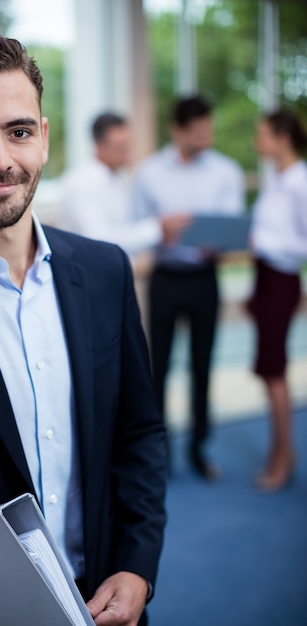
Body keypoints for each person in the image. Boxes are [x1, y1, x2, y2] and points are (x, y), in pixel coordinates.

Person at [0, 32, 167, 625]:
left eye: (17, 131)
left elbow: (138, 435)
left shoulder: (103, 270)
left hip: (105, 605)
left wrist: (138, 565)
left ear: (42, 139)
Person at [132, 95, 245, 479]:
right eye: (198, 132)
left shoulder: (225, 171)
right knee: (157, 369)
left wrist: (221, 243)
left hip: (204, 280)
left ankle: (199, 449)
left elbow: (233, 228)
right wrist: (160, 231)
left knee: (202, 366)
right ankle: (157, 454)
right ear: (177, 130)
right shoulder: (149, 173)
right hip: (165, 279)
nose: (206, 138)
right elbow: (137, 226)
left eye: (208, 130)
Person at [247, 107, 307, 492]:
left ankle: (282, 455)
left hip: (282, 279)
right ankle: (283, 450)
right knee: (270, 372)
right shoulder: (275, 178)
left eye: (263, 135)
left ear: (282, 138)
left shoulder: (300, 182)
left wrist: (263, 242)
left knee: (274, 372)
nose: (258, 141)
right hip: (265, 278)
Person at [59, 112, 172, 258]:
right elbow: (99, 240)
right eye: (120, 146)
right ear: (99, 145)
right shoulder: (80, 183)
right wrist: (157, 229)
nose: (127, 152)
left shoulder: (118, 177)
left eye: (128, 145)